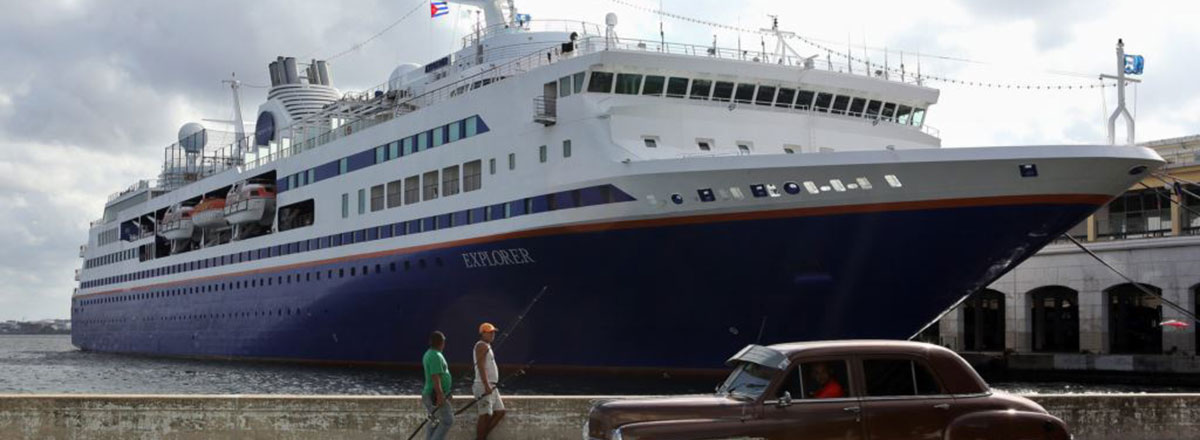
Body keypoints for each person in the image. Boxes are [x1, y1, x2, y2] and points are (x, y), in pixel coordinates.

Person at [473, 322, 506, 440]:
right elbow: (481, 367)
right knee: (484, 415)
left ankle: (482, 437)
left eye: (493, 332)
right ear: (483, 333)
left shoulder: (487, 346)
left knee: (500, 412)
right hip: (484, 385)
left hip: (492, 386)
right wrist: (486, 385)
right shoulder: (481, 346)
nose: (493, 334)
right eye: (490, 332)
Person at [422, 331, 454, 440]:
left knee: (434, 421)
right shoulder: (435, 355)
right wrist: (440, 395)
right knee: (448, 420)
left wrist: (446, 392)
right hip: (434, 395)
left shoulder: (430, 353)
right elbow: (435, 376)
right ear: (442, 342)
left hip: (432, 394)